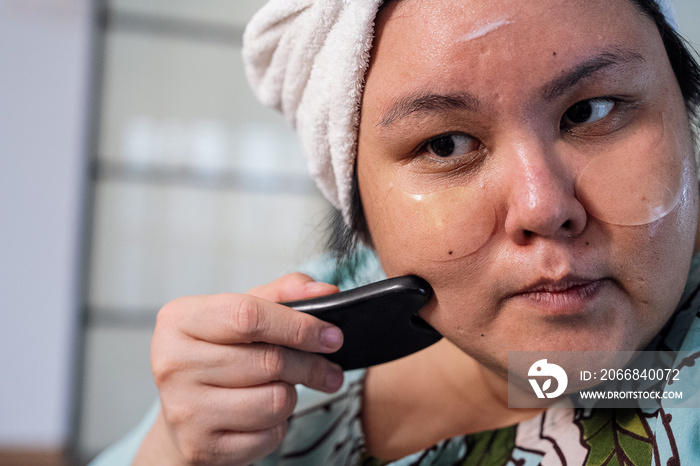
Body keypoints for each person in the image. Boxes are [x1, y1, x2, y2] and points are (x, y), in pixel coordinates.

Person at [90, 0, 700, 464]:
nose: (544, 207)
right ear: (362, 214)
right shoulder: (300, 344)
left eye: (589, 111)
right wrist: (171, 447)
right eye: (446, 145)